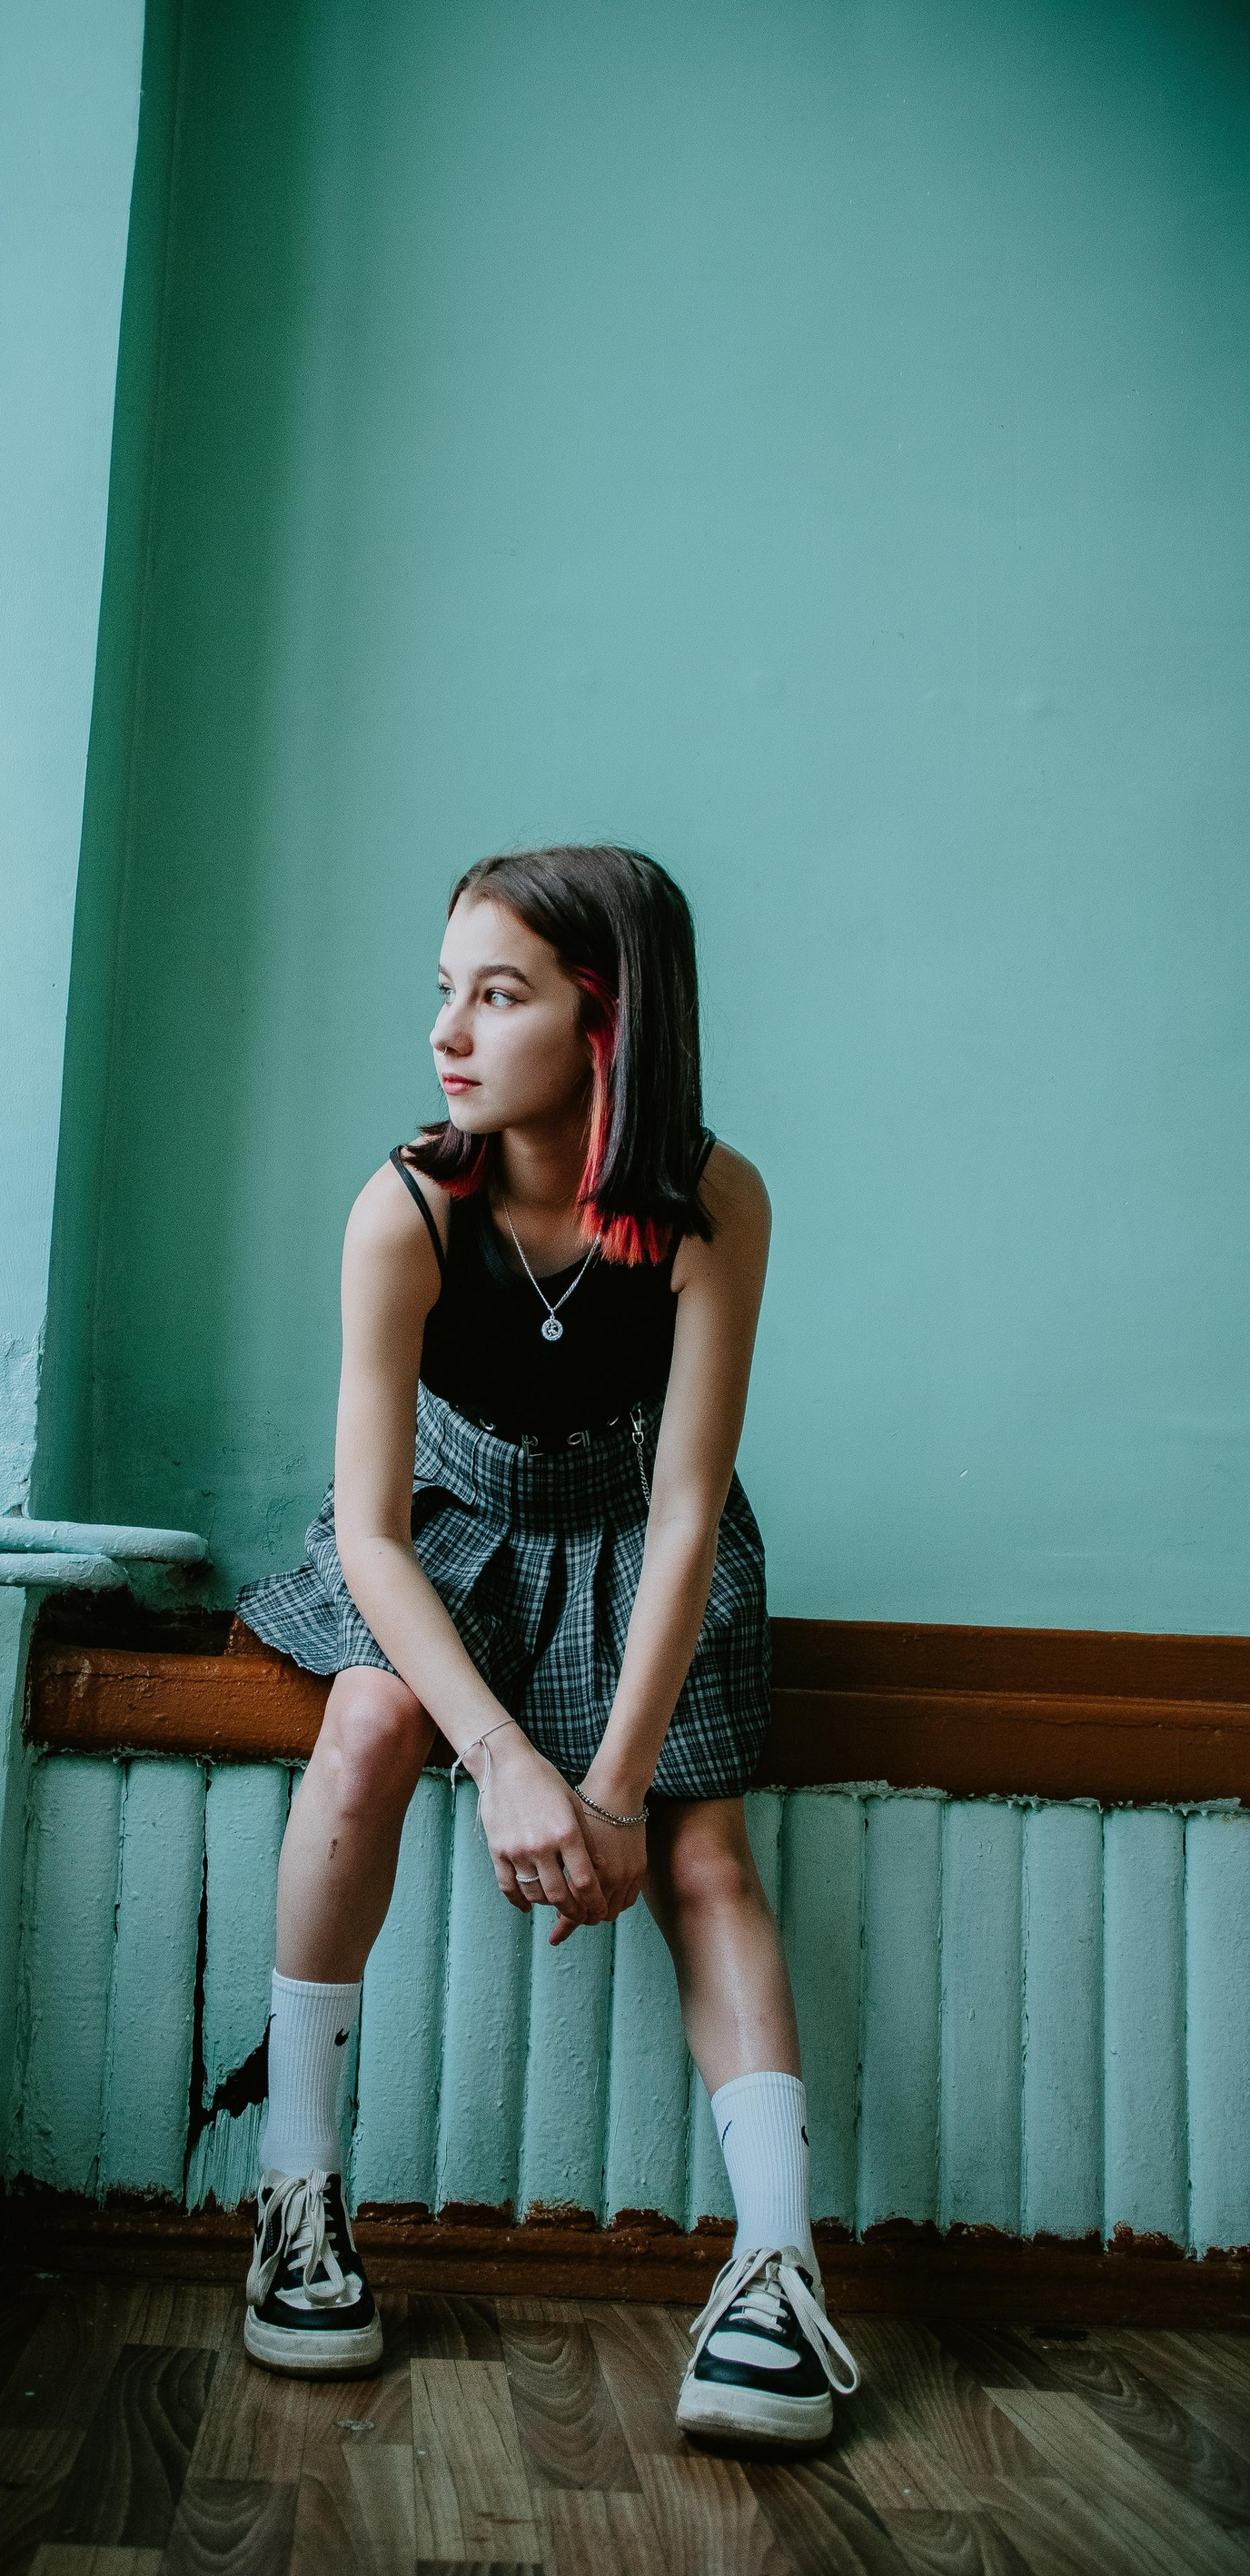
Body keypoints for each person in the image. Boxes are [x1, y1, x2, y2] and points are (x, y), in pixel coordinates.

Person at [235, 845, 858, 2449]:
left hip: (635, 1538)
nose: (448, 1031)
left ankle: (777, 2273)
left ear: (606, 1022)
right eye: (444, 990)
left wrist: (617, 1790)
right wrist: (507, 1759)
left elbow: (689, 1508)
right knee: (367, 1730)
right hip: (443, 1534)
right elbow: (371, 1531)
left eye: (497, 995)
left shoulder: (715, 1206)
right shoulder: (406, 1211)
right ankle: (294, 2192)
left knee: (706, 1852)